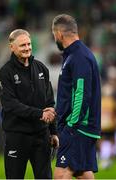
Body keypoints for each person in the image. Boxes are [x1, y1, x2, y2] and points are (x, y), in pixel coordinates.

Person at [0, 29, 59, 179]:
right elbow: (11, 105)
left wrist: (53, 131)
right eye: (22, 45)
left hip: (41, 136)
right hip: (17, 136)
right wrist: (40, 114)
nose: (27, 48)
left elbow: (49, 102)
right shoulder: (5, 73)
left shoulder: (42, 69)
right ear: (12, 47)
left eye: (29, 44)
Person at [52, 14, 101, 179]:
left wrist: (71, 126)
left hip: (78, 127)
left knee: (62, 173)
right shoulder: (76, 55)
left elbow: (82, 93)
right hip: (82, 127)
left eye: (54, 36)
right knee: (82, 173)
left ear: (59, 34)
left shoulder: (78, 56)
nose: (55, 39)